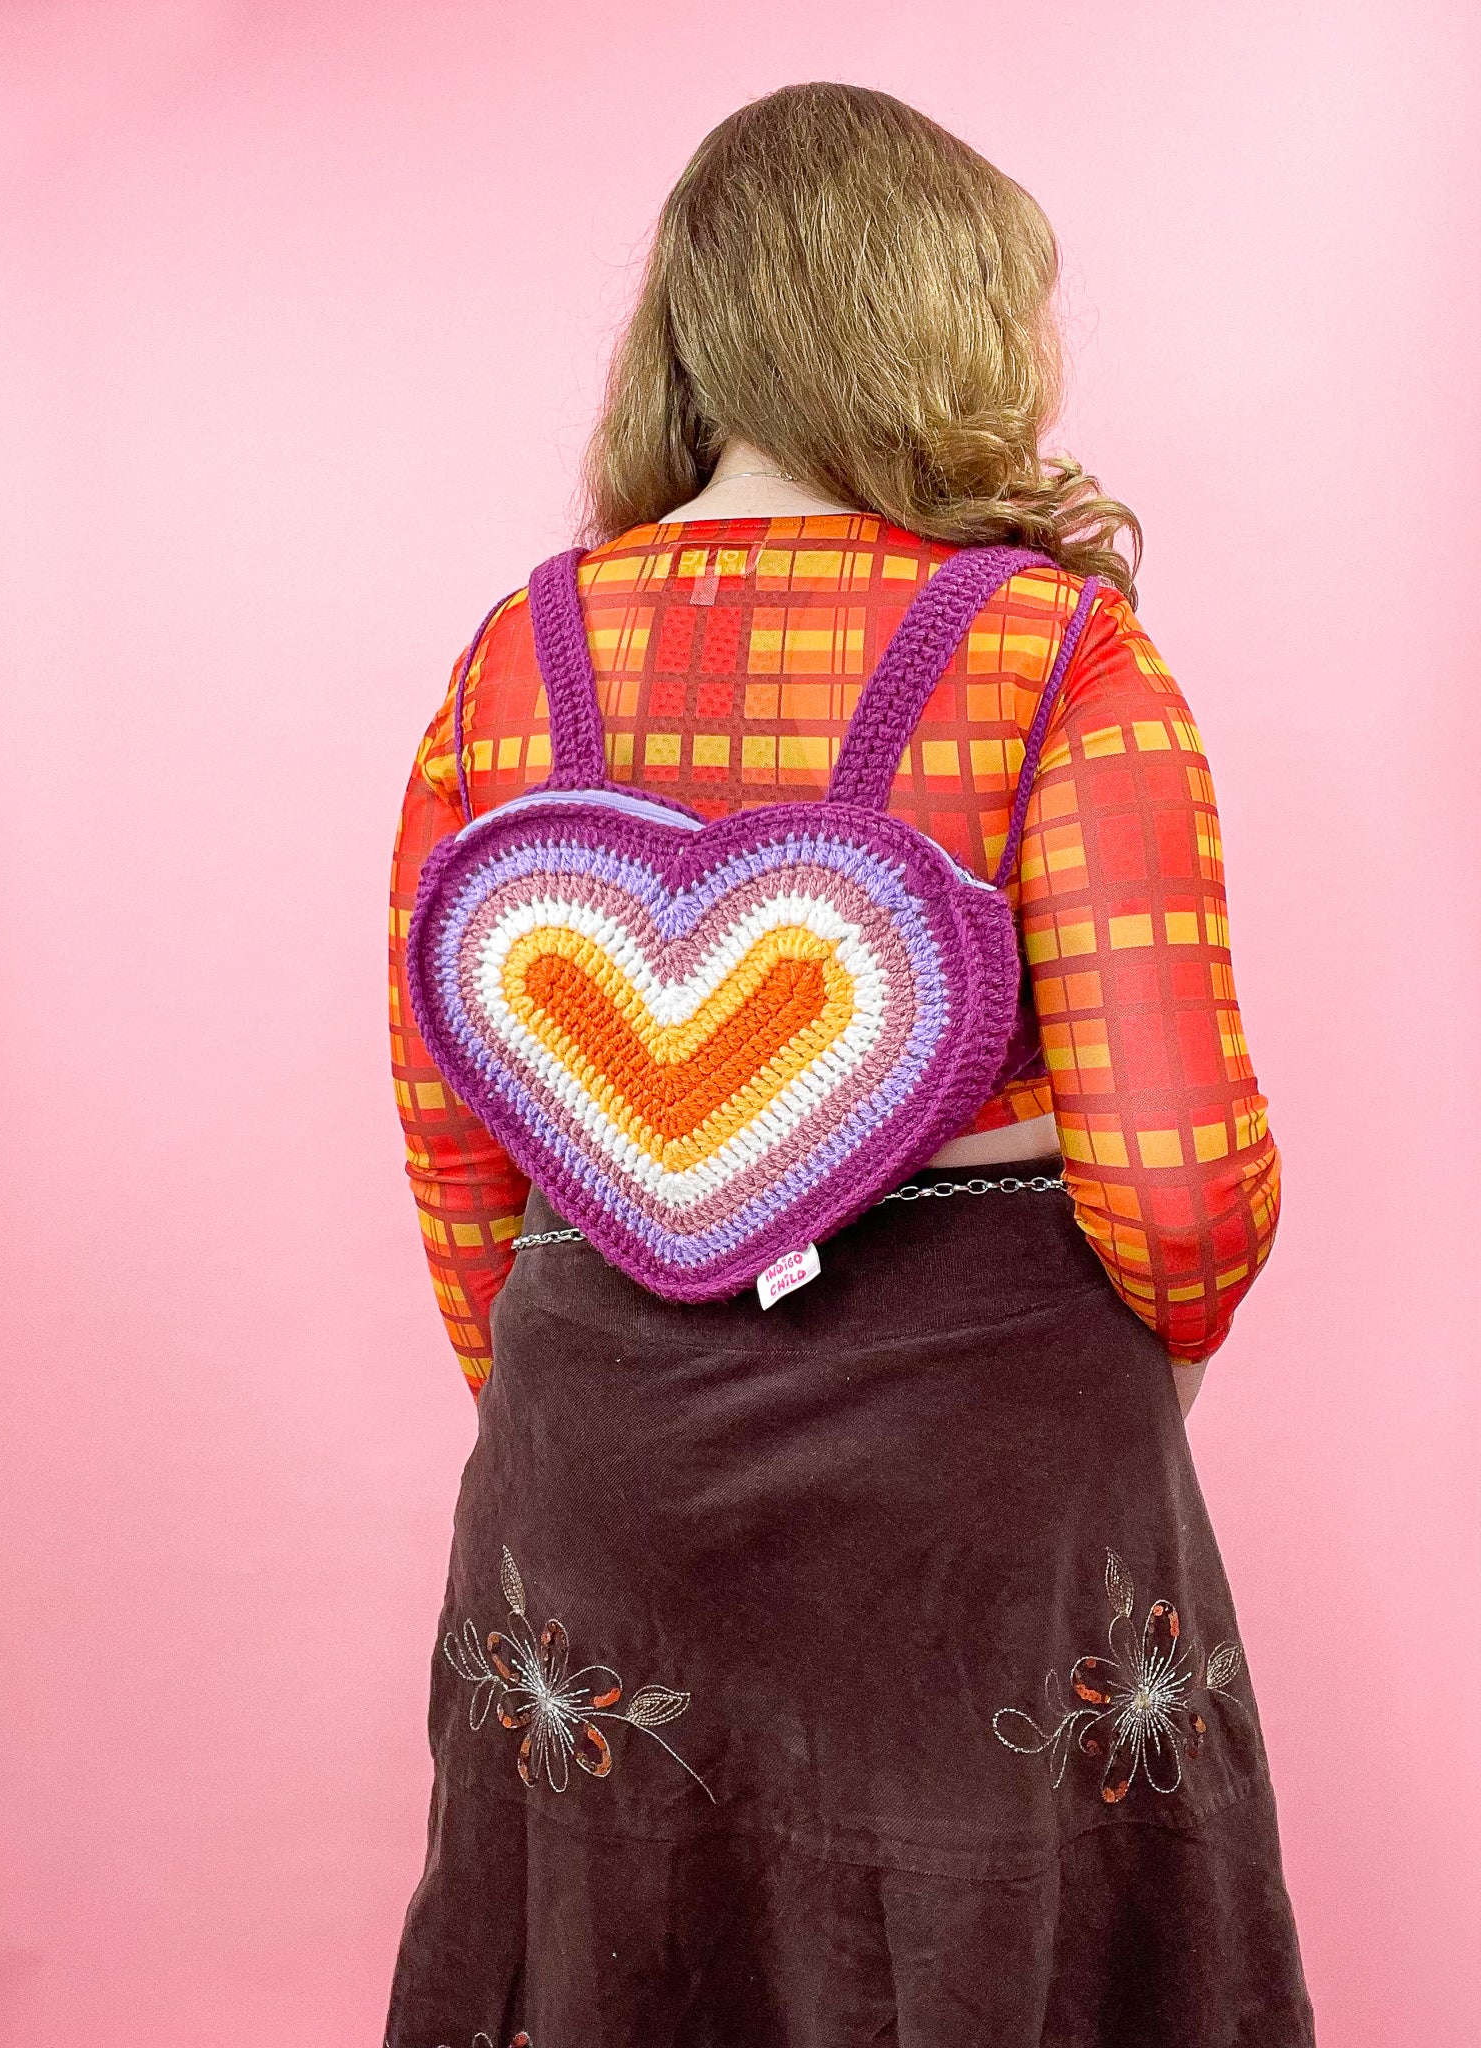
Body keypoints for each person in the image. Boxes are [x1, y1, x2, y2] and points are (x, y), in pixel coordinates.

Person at [383, 81, 1313, 2048]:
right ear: (944, 321)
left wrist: (589, 1387)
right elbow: (1175, 1176)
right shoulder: (1065, 660)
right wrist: (1144, 1367)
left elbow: (457, 1135)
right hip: (991, 1455)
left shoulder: (509, 662)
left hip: (599, 1439)